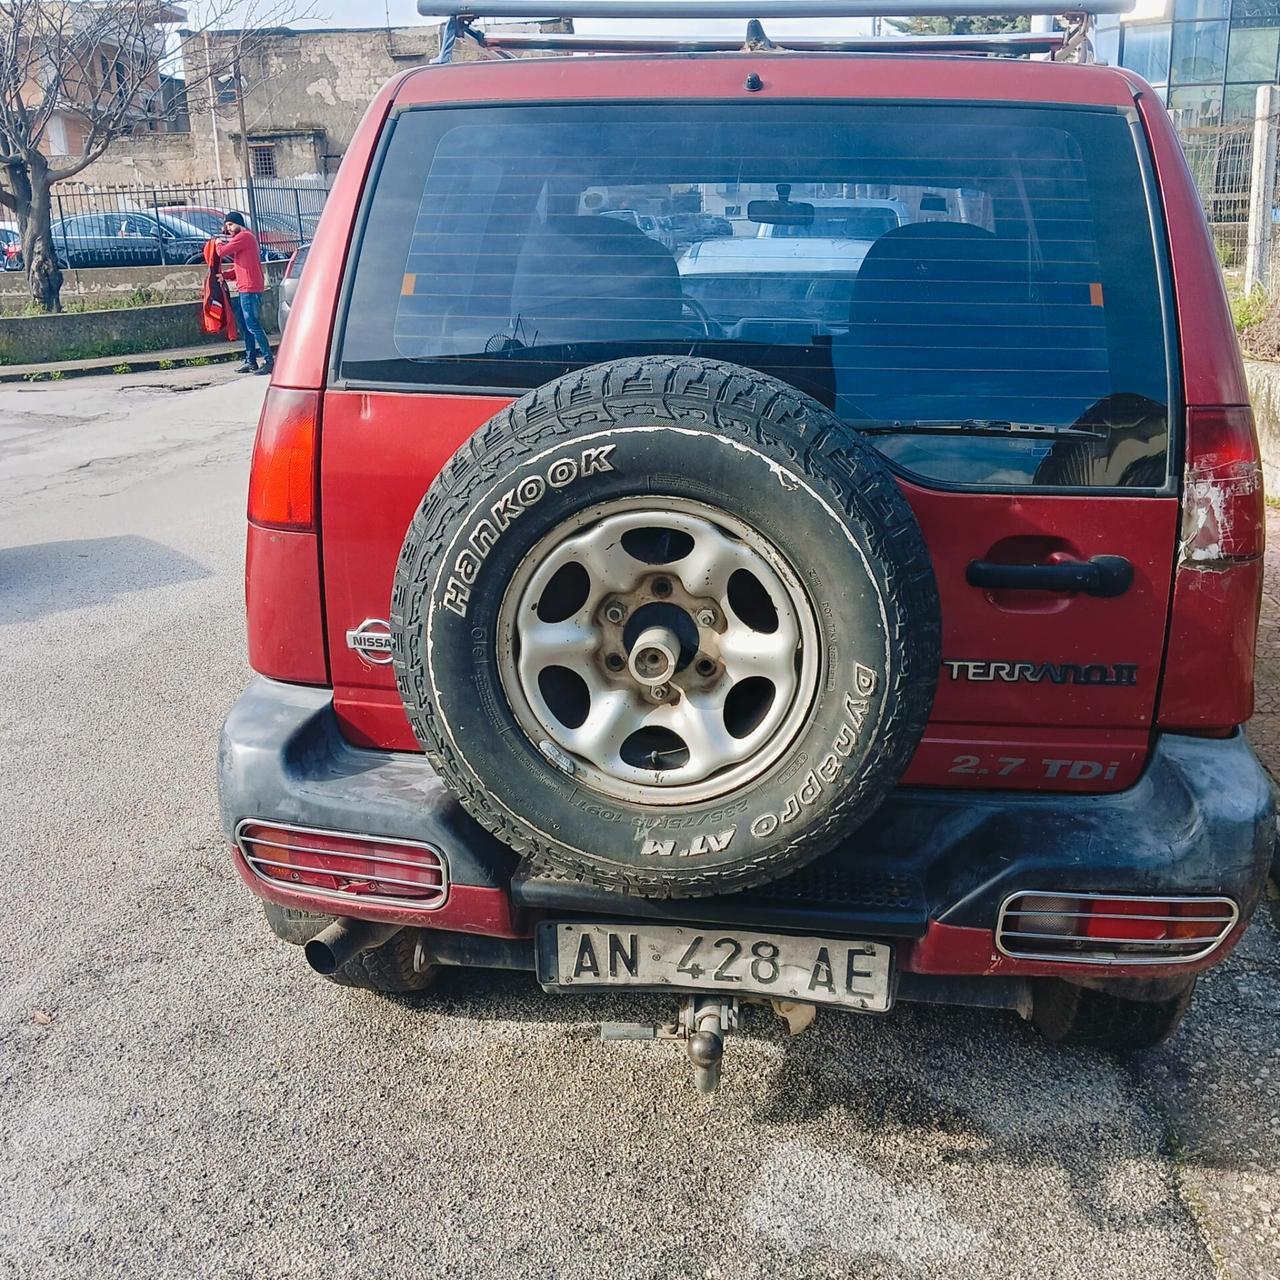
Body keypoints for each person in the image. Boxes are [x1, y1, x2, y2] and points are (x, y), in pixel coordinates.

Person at [217, 211, 273, 376]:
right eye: (227, 226)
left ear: (239, 223)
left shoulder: (244, 237)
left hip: (250, 289)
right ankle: (251, 361)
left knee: (253, 325)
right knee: (246, 326)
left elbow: (221, 252)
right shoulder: (243, 240)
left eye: (231, 225)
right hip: (245, 288)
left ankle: (269, 360)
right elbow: (240, 267)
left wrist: (218, 243)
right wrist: (224, 276)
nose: (229, 229)